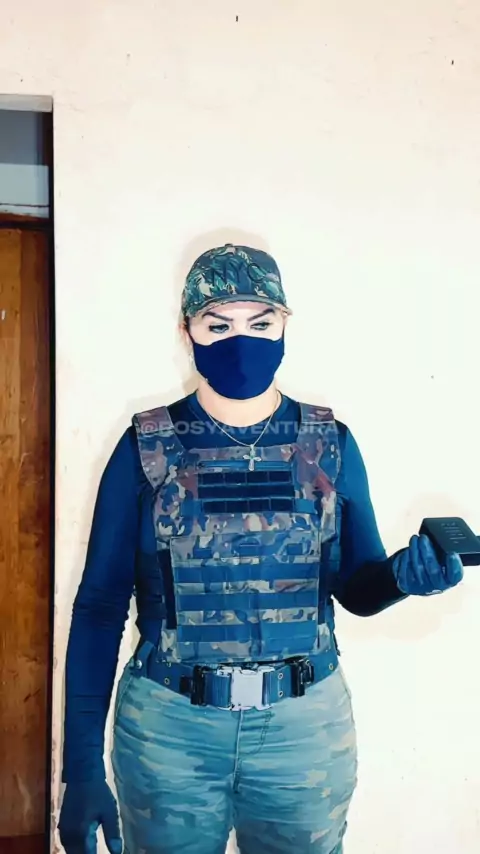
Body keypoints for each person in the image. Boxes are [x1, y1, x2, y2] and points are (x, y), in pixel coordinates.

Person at [58, 243, 464, 854]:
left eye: (260, 322)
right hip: (170, 731)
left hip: (301, 731)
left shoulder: (328, 442)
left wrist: (404, 578)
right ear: (187, 331)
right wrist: (82, 769)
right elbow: (98, 610)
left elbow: (357, 589)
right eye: (218, 325)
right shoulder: (145, 446)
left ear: (284, 327)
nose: (240, 341)